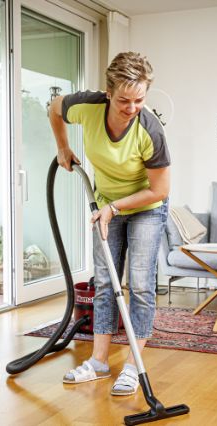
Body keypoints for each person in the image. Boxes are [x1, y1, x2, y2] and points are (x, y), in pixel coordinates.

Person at [48, 52, 170, 396]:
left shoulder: (150, 129)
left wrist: (115, 207)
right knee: (106, 282)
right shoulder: (86, 107)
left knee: (141, 285)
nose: (132, 108)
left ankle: (133, 367)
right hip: (107, 203)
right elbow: (53, 108)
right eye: (123, 100)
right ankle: (99, 362)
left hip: (145, 204)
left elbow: (160, 189)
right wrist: (63, 146)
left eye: (140, 100)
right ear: (107, 92)